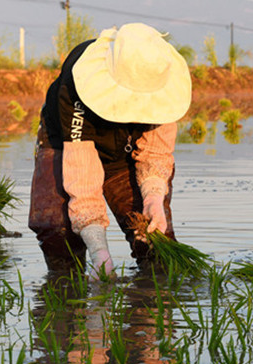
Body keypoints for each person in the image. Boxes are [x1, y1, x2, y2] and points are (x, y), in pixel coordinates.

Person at [29, 22, 192, 278]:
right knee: (57, 231)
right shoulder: (76, 84)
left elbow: (156, 154)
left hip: (126, 150)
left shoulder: (161, 82)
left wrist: (154, 200)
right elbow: (82, 176)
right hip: (64, 144)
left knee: (155, 241)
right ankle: (66, 300)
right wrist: (99, 249)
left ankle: (151, 308)